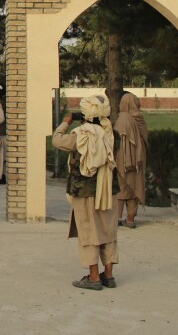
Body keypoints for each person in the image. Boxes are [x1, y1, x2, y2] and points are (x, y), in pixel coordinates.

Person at [52, 94, 119, 291]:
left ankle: (93, 277)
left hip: (86, 192)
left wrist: (65, 123)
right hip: (109, 191)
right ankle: (109, 275)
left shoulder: (80, 136)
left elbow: (57, 141)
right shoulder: (111, 135)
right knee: (108, 232)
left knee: (90, 233)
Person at [114, 92, 148, 229]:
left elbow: (118, 141)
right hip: (138, 161)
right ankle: (130, 219)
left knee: (121, 189)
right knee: (135, 187)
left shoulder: (122, 119)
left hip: (123, 160)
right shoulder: (140, 120)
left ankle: (115, 218)